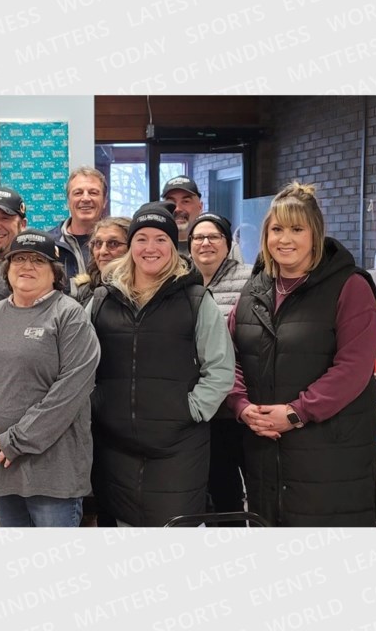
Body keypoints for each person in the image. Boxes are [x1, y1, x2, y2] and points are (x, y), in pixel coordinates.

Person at [227, 182, 376, 526]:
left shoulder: (349, 287)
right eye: (276, 229)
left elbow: (353, 369)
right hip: (265, 451)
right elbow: (232, 355)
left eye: (296, 229)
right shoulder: (255, 289)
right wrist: (242, 407)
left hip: (329, 453)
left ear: (315, 234)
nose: (285, 239)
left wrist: (297, 413)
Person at [88, 202, 234, 526]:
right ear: (130, 246)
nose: (150, 248)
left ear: (173, 246)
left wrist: (190, 409)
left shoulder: (196, 300)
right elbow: (78, 363)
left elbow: (221, 368)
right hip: (113, 448)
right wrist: (95, 402)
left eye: (160, 239)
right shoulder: (102, 300)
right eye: (141, 239)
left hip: (178, 451)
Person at [0, 230, 100, 527]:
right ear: (7, 269)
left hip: (52, 475)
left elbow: (70, 392)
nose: (27, 266)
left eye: (38, 260)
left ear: (54, 273)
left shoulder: (69, 316)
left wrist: (14, 441)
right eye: (19, 259)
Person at [188, 213, 253, 519]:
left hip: (241, 406)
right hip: (203, 408)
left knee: (255, 487)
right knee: (220, 488)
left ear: (228, 243)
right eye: (198, 238)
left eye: (213, 237)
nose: (205, 243)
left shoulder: (252, 279)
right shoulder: (180, 281)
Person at [48, 166, 107, 278]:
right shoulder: (48, 243)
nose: (85, 198)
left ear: (104, 201)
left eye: (93, 193)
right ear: (68, 201)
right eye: (78, 193)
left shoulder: (120, 244)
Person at [69, 216, 130, 307]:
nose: (102, 251)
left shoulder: (146, 291)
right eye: (98, 243)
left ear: (132, 248)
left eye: (113, 243)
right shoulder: (82, 292)